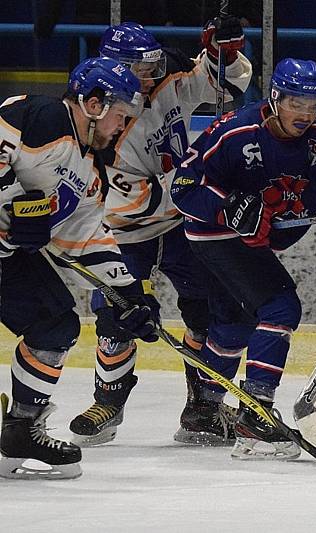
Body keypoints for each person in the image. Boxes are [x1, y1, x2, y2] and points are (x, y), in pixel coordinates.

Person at [67, 20, 252, 447]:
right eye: (139, 69)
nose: (149, 76)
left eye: (151, 65)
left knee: (208, 308)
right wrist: (210, 194)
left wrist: (221, 54)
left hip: (183, 223)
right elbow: (128, 203)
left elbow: (223, 86)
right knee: (116, 317)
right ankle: (108, 402)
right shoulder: (95, 126)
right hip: (126, 231)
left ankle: (204, 406)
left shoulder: (164, 76)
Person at [170, 57, 316, 459]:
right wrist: (229, 207)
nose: (306, 114)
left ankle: (204, 410)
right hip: (216, 233)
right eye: (296, 103)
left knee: (236, 323)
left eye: (314, 105)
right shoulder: (235, 131)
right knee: (279, 306)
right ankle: (256, 417)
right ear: (275, 98)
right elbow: (185, 186)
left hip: (268, 238)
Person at [0, 57, 160, 479]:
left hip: (5, 258)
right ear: (93, 103)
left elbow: (86, 235)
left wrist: (129, 293)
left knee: (55, 325)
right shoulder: (36, 116)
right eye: (120, 117)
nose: (121, 129)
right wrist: (18, 203)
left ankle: (19, 430)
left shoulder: (91, 170)